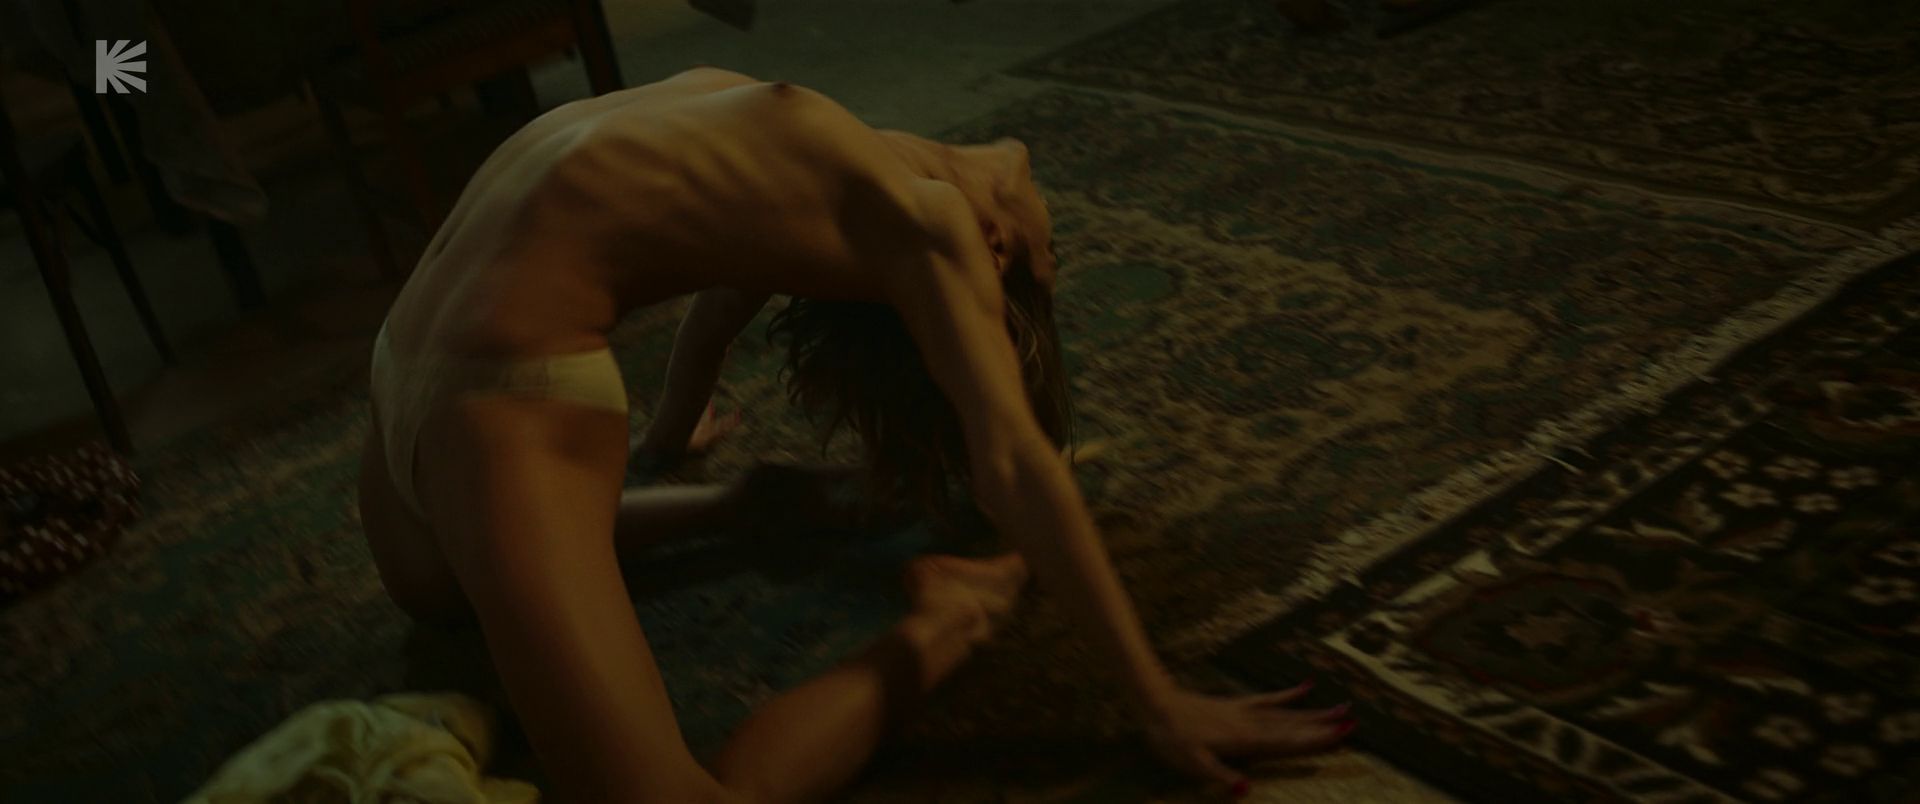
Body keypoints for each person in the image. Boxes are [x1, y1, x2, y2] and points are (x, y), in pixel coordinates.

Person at [357, 66, 1352, 803]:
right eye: (1040, 275)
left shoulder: (762, 112)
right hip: (488, 399)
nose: (1052, 259)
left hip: (400, 360)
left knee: (438, 594)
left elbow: (720, 300)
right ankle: (952, 616)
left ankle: (756, 506)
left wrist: (666, 433)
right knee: (458, 611)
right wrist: (1158, 701)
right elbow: (1013, 457)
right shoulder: (918, 213)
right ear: (993, 249)